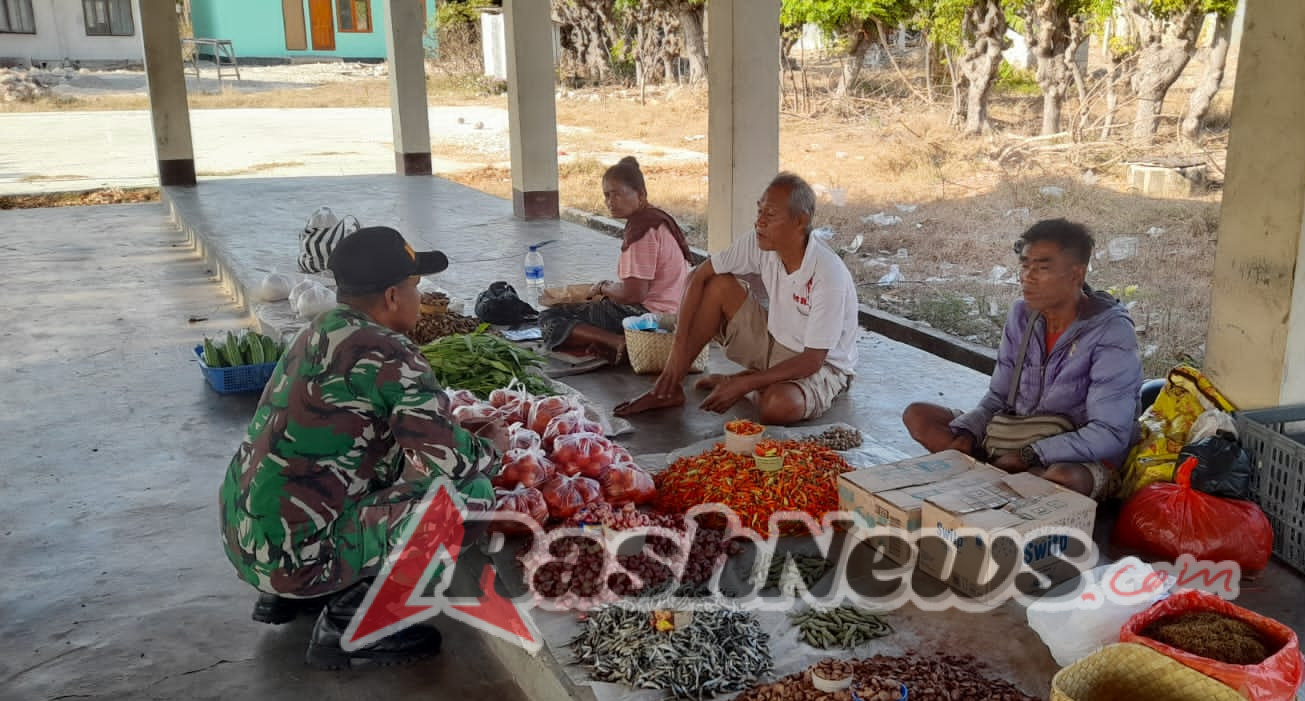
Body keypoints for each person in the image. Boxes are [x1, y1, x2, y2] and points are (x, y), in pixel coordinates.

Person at [219, 226, 506, 669]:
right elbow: (445, 461)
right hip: (293, 556)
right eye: (416, 288)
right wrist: (492, 447)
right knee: (472, 497)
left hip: (248, 538)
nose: (420, 297)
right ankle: (351, 623)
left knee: (379, 461)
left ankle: (285, 595)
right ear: (393, 296)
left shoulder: (319, 330)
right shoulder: (391, 352)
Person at [902, 219, 1142, 500]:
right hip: (1015, 434)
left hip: (1074, 455)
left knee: (1061, 478)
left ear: (1077, 274)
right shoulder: (1021, 314)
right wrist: (968, 433)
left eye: (1042, 268)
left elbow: (1109, 434)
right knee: (919, 416)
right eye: (1025, 265)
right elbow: (997, 397)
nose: (1027, 276)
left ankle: (995, 477)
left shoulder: (1111, 331)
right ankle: (999, 477)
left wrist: (1032, 453)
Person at [614, 172, 859, 424]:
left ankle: (752, 384)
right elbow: (698, 276)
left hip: (821, 365)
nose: (759, 222)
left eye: (770, 214)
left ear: (800, 221)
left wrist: (744, 385)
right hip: (776, 341)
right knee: (718, 285)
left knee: (778, 407)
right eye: (759, 211)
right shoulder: (759, 242)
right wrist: (675, 361)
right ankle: (669, 391)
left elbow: (812, 360)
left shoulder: (827, 274)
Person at [539, 156, 691, 364]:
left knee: (550, 318)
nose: (610, 202)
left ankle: (618, 342)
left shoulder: (641, 230)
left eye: (617, 194)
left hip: (649, 317)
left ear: (640, 194)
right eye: (607, 196)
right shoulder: (656, 218)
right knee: (589, 308)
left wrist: (603, 288)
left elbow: (633, 294)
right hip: (674, 310)